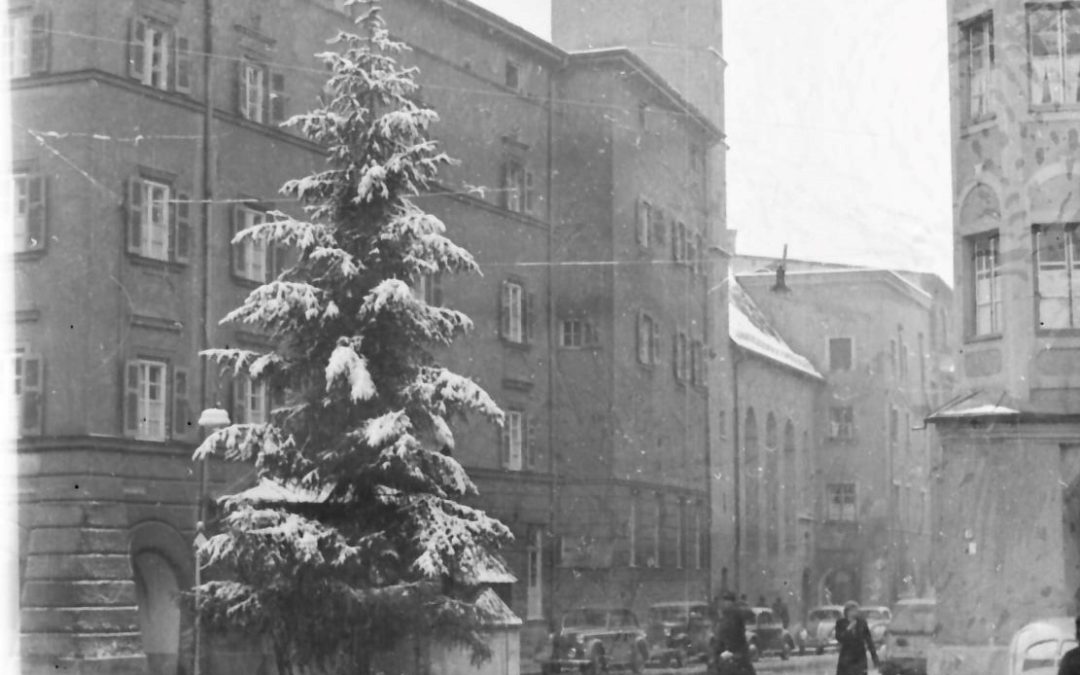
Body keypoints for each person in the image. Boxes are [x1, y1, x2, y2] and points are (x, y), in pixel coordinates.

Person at [712, 591, 755, 675]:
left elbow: (750, 614)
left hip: (738, 649)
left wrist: (742, 605)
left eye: (728, 601)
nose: (726, 603)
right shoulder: (723, 616)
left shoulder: (737, 612)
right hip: (724, 649)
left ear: (732, 602)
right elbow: (719, 633)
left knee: (745, 668)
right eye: (724, 601)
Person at [835, 601, 879, 675]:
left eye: (857, 610)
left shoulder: (862, 623)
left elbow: (869, 640)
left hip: (860, 657)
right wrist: (848, 629)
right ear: (847, 611)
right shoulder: (840, 623)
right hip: (846, 657)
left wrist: (874, 657)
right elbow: (839, 638)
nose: (856, 612)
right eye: (854, 610)